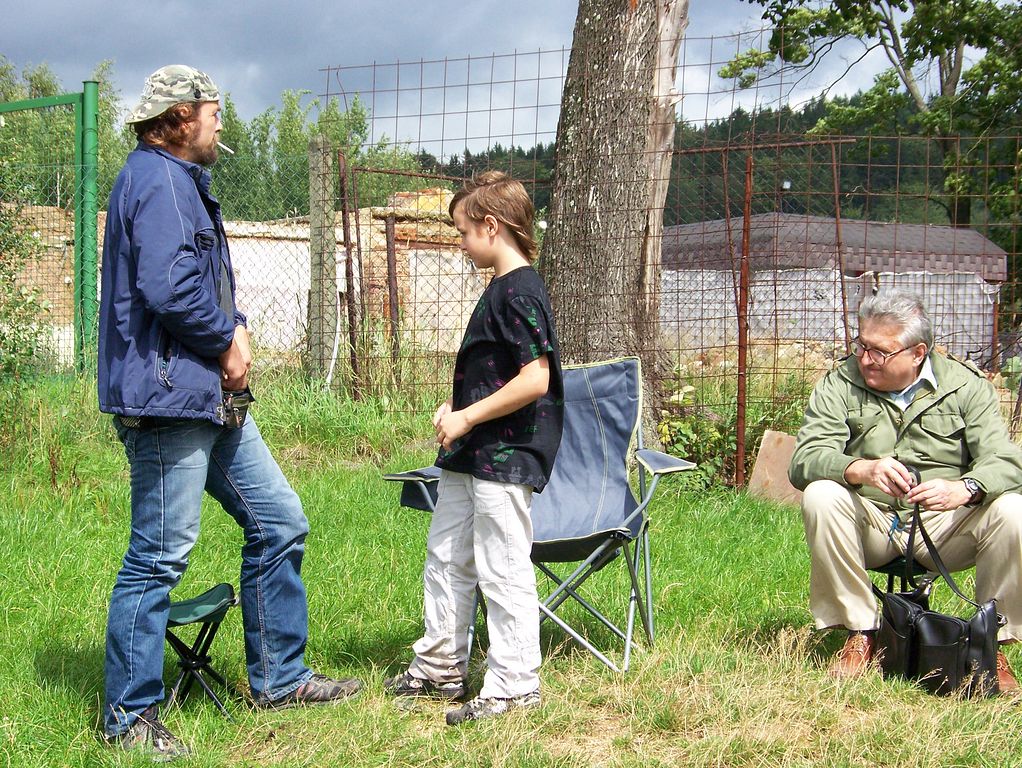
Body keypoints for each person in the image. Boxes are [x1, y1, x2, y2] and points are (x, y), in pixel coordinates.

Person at [98, 65, 361, 760]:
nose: (221, 125)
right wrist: (226, 340)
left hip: (204, 396)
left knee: (279, 521)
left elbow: (199, 281)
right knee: (159, 555)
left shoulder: (178, 180)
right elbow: (168, 287)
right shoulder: (158, 180)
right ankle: (129, 718)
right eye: (213, 113)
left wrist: (234, 326)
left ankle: (280, 678)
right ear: (179, 118)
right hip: (168, 400)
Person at [384, 171, 564, 725]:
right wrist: (457, 409)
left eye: (463, 231)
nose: (460, 243)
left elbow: (536, 378)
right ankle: (441, 665)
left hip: (505, 455)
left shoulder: (521, 290)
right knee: (447, 554)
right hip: (474, 452)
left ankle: (514, 685)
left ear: (491, 226)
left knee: (502, 566)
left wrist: (466, 416)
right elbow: (496, 374)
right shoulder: (501, 287)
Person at [789, 289, 1022, 690]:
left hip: (944, 527)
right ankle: (861, 634)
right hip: (872, 523)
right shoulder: (841, 382)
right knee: (821, 495)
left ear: (918, 353)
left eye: (880, 352)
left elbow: (1006, 461)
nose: (865, 359)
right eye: (861, 345)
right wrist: (860, 469)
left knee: (1013, 510)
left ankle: (990, 645)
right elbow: (804, 459)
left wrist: (966, 488)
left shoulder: (966, 387)